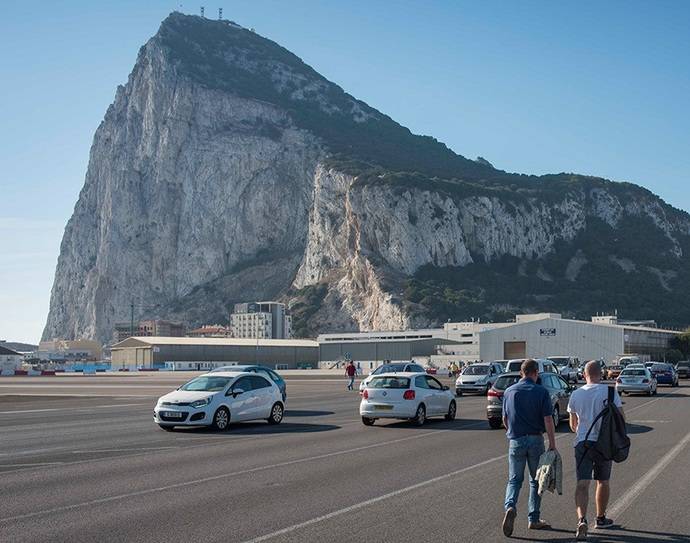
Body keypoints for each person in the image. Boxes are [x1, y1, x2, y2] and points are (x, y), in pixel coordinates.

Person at [567, 360, 625, 540]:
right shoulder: (610, 392)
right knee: (603, 481)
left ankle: (581, 520)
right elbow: (621, 418)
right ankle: (600, 518)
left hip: (583, 443)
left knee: (582, 483)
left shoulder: (576, 394)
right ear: (601, 374)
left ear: (584, 375)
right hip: (604, 444)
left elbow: (572, 424)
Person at [501, 359, 557, 537]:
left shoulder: (509, 391)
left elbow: (505, 419)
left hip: (516, 440)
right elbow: (548, 419)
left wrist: (513, 432)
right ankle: (533, 519)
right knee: (536, 480)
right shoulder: (541, 391)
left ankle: (510, 506)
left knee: (514, 480)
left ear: (521, 373)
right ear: (536, 373)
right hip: (535, 440)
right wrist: (552, 444)